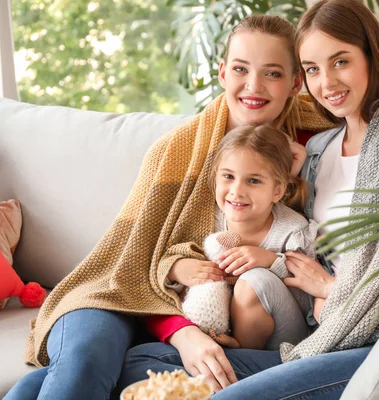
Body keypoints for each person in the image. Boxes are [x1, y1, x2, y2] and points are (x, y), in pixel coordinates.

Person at [117, 0, 379, 399]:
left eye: (341, 62)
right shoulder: (318, 150)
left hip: (376, 345)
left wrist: (330, 290)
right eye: (313, 69)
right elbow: (278, 227)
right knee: (138, 362)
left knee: (223, 392)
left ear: (373, 56)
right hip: (315, 329)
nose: (328, 83)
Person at [4, 15, 331, 400]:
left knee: (37, 387)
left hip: (205, 311)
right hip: (111, 297)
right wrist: (183, 331)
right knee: (86, 360)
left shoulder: (320, 145)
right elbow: (131, 265)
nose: (253, 86)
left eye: (272, 73)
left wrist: (293, 172)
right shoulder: (176, 152)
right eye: (241, 69)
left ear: (296, 82)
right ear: (223, 73)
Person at [168, 123, 318, 351]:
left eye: (253, 181)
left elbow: (308, 302)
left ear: (277, 190)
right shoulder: (206, 220)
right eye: (228, 176)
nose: (237, 191)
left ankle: (240, 359)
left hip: (282, 335)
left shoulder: (293, 230)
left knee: (253, 281)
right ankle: (220, 348)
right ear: (216, 178)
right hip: (217, 329)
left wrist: (271, 262)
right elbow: (164, 262)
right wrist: (177, 269)